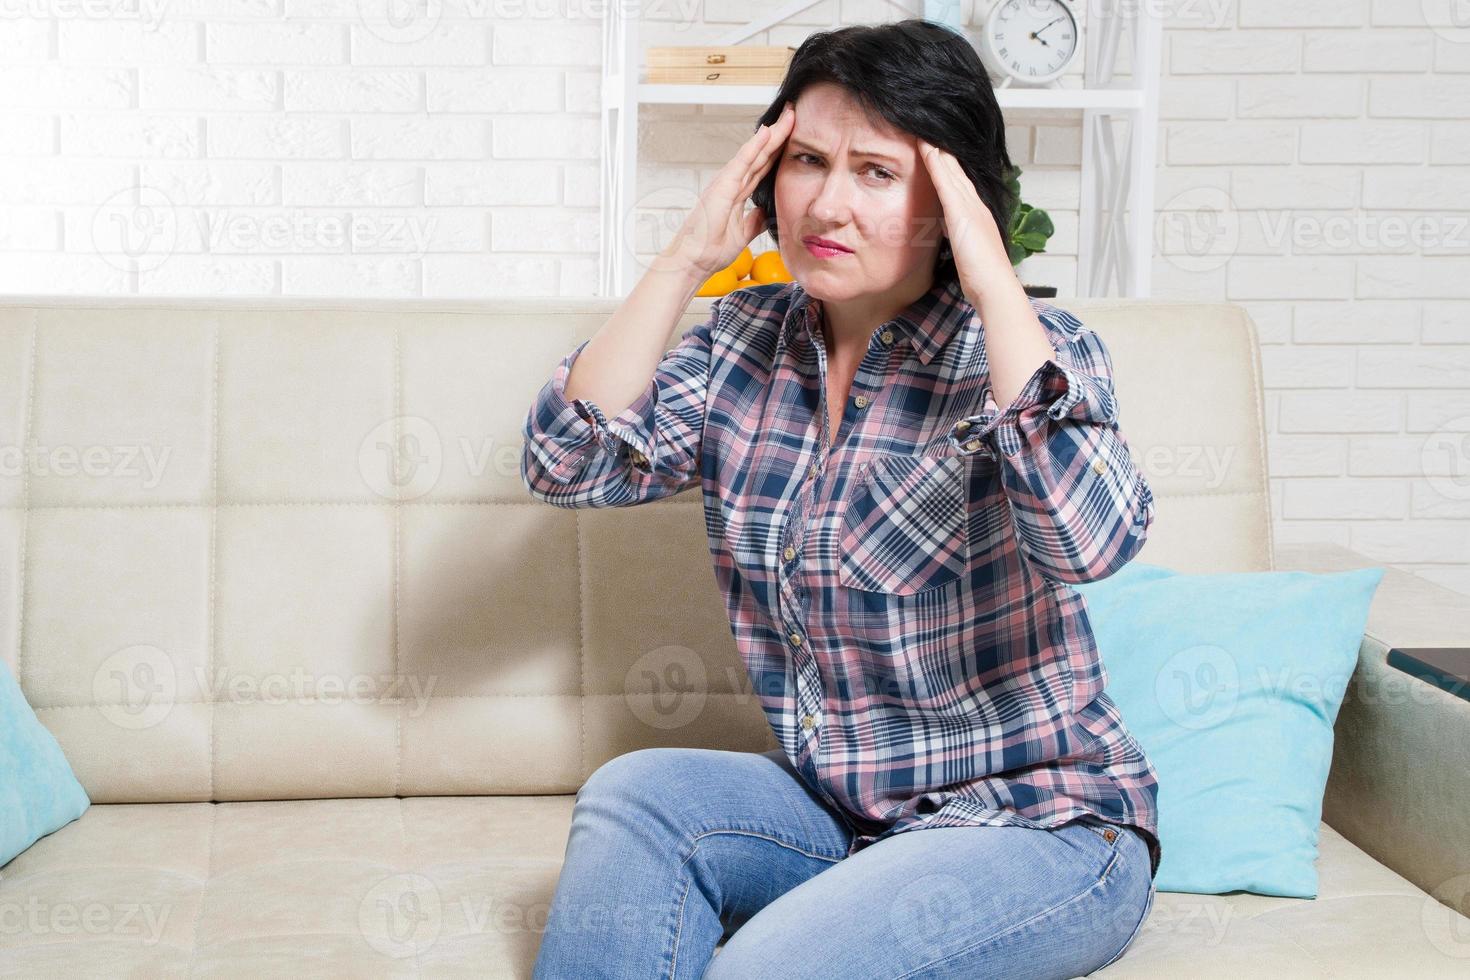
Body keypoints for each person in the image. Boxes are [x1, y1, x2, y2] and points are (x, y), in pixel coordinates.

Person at [521, 19, 1159, 980]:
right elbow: (568, 464)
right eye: (807, 160)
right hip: (843, 813)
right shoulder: (745, 345)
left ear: (950, 202)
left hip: (1043, 828)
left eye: (876, 172)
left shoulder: (1029, 351)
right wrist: (684, 260)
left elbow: (1092, 541)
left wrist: (993, 288)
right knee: (639, 793)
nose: (826, 203)